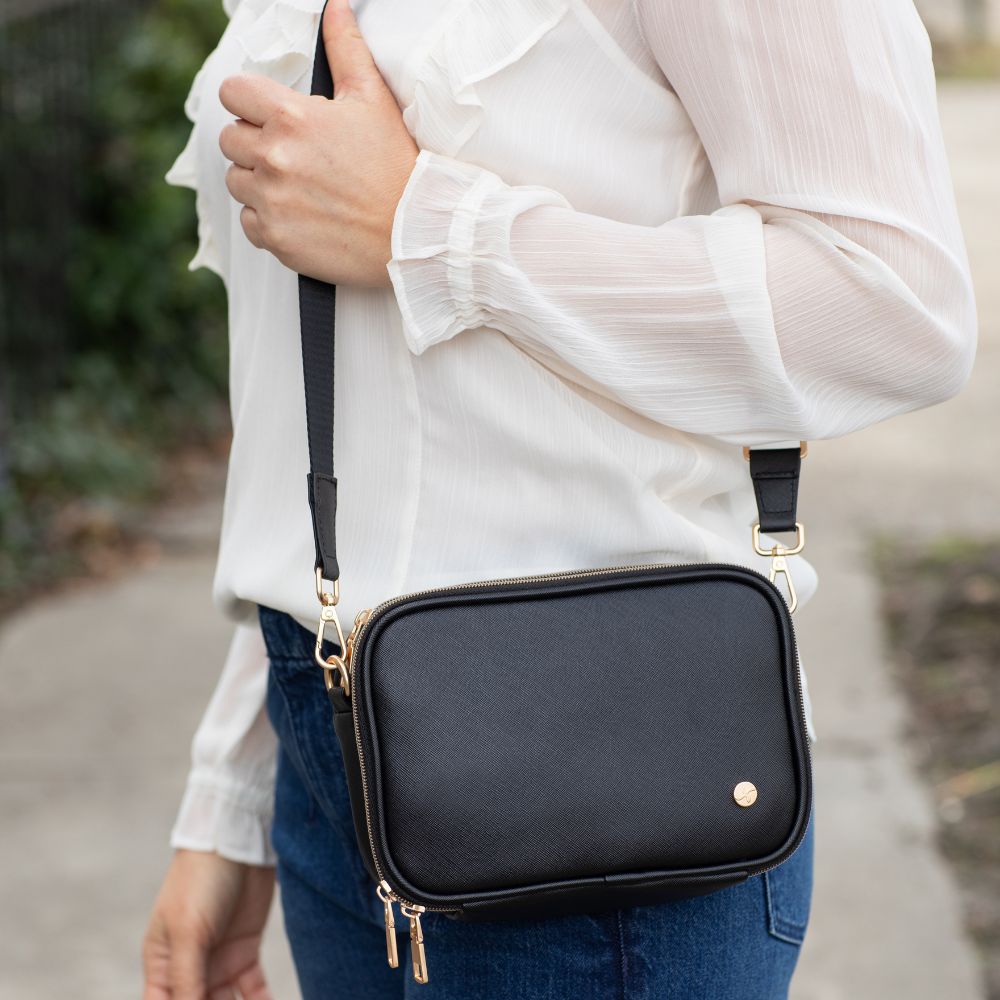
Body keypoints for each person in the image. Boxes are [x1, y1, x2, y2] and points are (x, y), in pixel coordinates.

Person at [142, 0, 977, 997]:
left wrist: (434, 229)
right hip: (330, 745)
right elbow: (341, 416)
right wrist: (232, 796)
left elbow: (896, 305)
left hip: (595, 783)